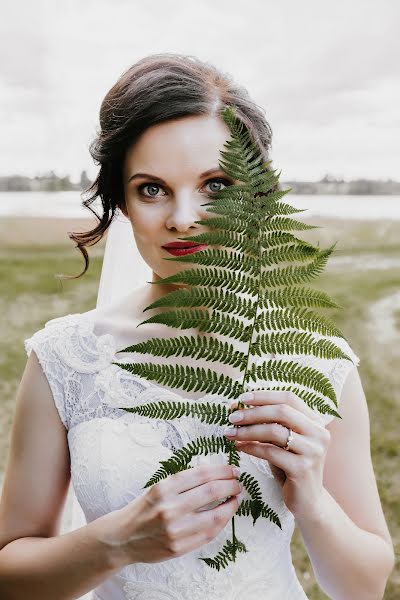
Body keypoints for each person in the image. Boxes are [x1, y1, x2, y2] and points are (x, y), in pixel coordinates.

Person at [0, 53, 395, 600]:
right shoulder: (66, 358)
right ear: (122, 203)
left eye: (214, 184)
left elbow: (366, 586)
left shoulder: (318, 363)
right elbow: (10, 575)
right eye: (152, 188)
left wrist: (311, 495)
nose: (183, 216)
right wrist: (116, 543)